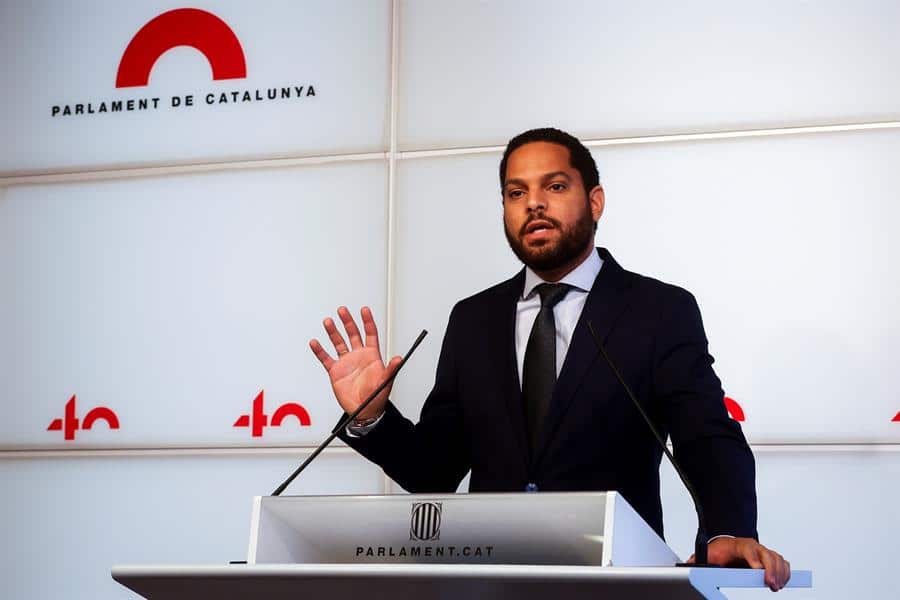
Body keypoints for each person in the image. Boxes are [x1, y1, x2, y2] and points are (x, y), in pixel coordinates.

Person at [310, 127, 791, 591]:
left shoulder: (657, 310)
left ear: (595, 201)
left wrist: (726, 530)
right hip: (486, 585)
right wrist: (371, 418)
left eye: (555, 186)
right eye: (515, 193)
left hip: (614, 585)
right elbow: (433, 471)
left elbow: (705, 434)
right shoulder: (474, 319)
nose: (533, 203)